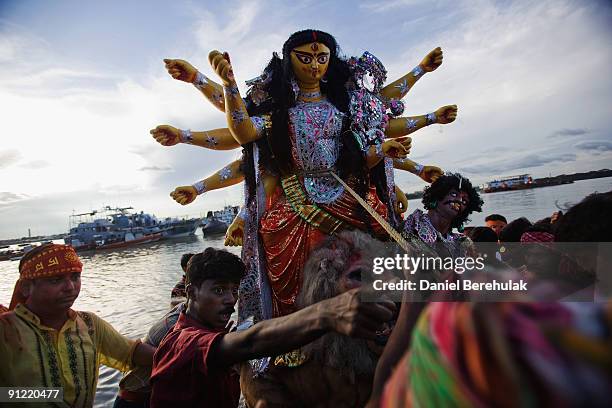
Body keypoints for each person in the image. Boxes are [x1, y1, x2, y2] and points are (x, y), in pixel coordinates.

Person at [149, 247, 395, 408]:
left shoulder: (214, 333)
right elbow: (250, 342)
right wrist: (326, 313)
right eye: (218, 290)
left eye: (234, 291)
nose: (230, 299)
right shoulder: (183, 341)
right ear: (191, 292)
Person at [0, 243, 155, 408]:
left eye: (75, 277)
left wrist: (180, 354)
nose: (70, 287)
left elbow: (132, 353)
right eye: (55, 279)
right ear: (26, 287)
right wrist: (50, 395)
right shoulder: (6, 329)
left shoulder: (89, 324)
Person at [114, 303, 185, 408]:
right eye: (217, 291)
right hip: (135, 400)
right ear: (192, 293)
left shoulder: (186, 313)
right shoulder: (174, 325)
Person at [402, 173, 482, 258]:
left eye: (464, 201)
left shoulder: (462, 244)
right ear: (437, 195)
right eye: (454, 194)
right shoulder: (411, 226)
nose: (459, 200)